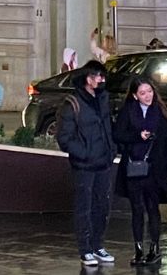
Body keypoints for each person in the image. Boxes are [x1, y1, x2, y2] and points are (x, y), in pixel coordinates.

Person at [54, 61, 115, 268]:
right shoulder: (72, 103)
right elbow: (64, 137)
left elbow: (107, 127)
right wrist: (85, 154)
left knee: (102, 205)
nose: (102, 80)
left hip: (103, 161)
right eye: (99, 77)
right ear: (89, 79)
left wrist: (111, 149)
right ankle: (85, 249)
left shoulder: (103, 99)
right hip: (84, 164)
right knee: (84, 207)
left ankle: (98, 245)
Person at [113, 79, 167, 265]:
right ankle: (138, 249)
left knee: (152, 208)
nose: (147, 96)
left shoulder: (161, 112)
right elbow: (118, 134)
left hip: (154, 168)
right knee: (137, 209)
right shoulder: (128, 111)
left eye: (149, 91)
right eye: (142, 93)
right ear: (134, 95)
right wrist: (137, 137)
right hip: (134, 166)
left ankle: (154, 248)